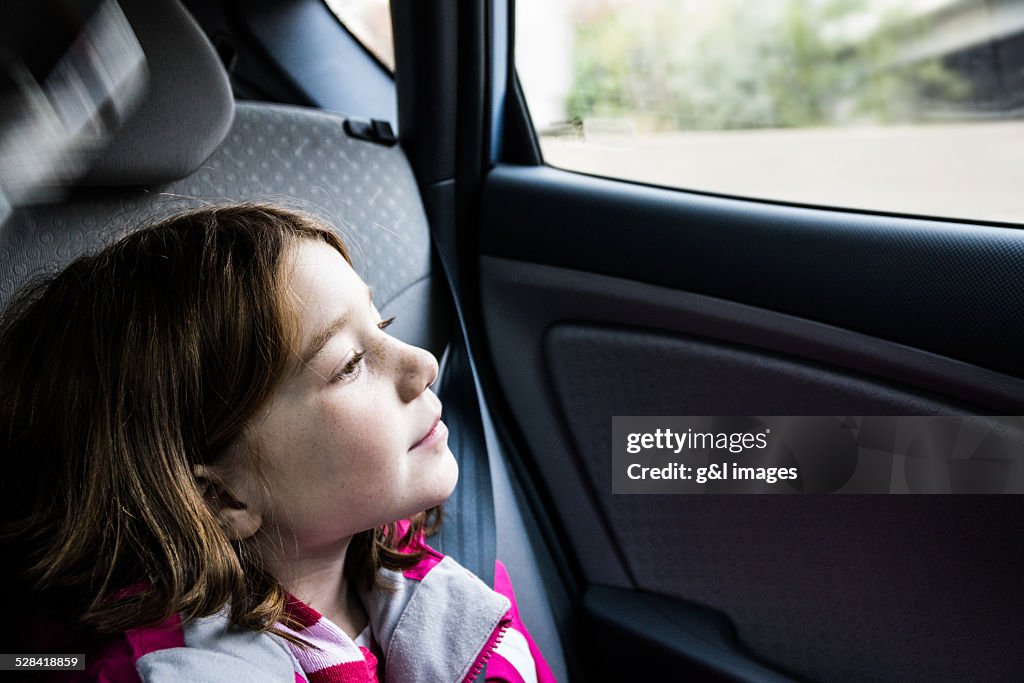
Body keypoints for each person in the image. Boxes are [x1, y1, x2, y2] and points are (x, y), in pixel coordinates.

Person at [0, 203, 555, 682]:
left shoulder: (441, 578)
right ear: (222, 498)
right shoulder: (167, 670)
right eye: (349, 365)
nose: (423, 364)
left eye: (381, 323)